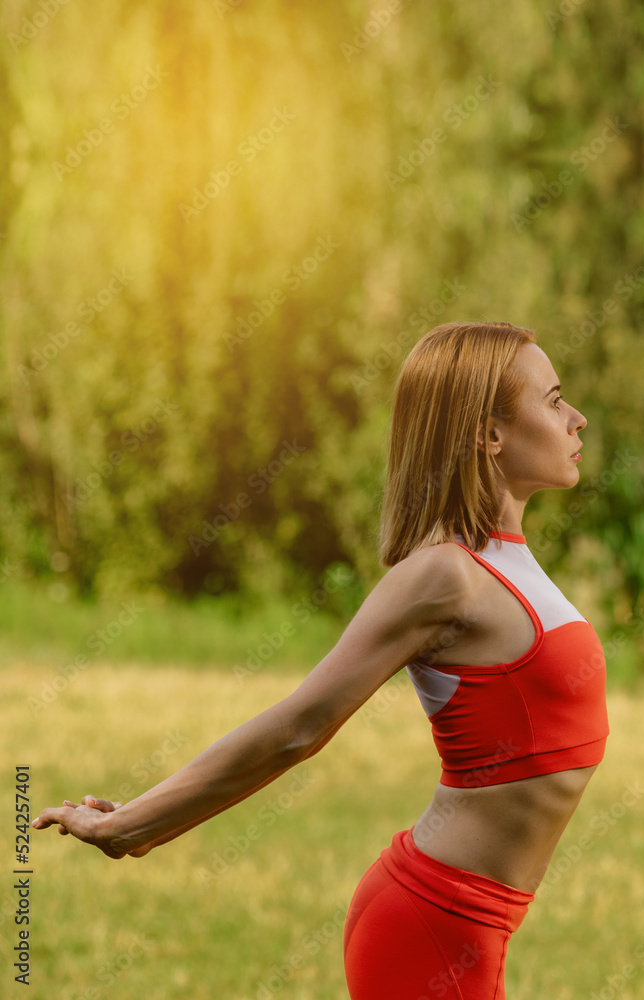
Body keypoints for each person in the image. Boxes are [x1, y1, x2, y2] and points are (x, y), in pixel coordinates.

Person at [33, 320, 609, 999]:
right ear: (488, 433)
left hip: (479, 927)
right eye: (552, 399)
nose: (575, 420)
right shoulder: (442, 576)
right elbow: (298, 726)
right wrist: (133, 826)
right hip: (430, 924)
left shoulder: (509, 557)